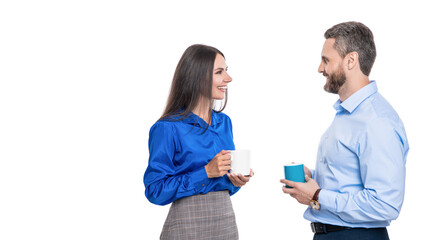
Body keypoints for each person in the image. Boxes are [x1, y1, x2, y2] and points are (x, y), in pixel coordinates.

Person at [280, 21, 409, 240]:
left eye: (326, 60)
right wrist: (315, 181)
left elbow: (385, 204)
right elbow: (348, 181)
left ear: (351, 60)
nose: (320, 68)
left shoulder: (376, 121)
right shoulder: (348, 114)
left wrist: (317, 195)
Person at [144, 44, 254, 240]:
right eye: (219, 72)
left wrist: (236, 181)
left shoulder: (224, 123)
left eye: (226, 71)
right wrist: (205, 173)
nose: (228, 79)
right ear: (197, 76)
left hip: (225, 220)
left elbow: (226, 185)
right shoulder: (168, 128)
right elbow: (155, 190)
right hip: (187, 224)